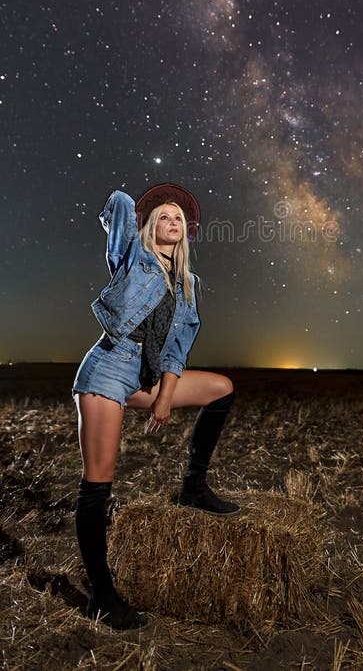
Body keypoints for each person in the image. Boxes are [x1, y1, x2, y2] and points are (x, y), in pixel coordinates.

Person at [72, 184, 239, 630]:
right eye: (164, 216)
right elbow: (120, 203)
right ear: (149, 226)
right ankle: (101, 597)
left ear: (186, 234)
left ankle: (193, 488)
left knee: (222, 388)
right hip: (109, 366)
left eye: (179, 219)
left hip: (146, 374)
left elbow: (176, 351)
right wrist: (143, 206)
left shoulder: (187, 284)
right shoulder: (131, 257)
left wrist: (165, 397)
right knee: (98, 484)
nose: (172, 221)